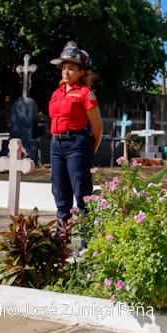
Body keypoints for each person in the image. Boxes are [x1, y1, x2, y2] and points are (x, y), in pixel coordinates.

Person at [49, 41, 103, 225]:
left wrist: (88, 151)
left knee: (81, 191)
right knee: (59, 191)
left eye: (71, 68)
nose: (66, 72)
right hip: (56, 145)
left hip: (77, 144)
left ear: (82, 72)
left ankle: (86, 238)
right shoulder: (57, 93)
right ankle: (62, 237)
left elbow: (97, 127)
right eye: (64, 68)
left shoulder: (85, 93)